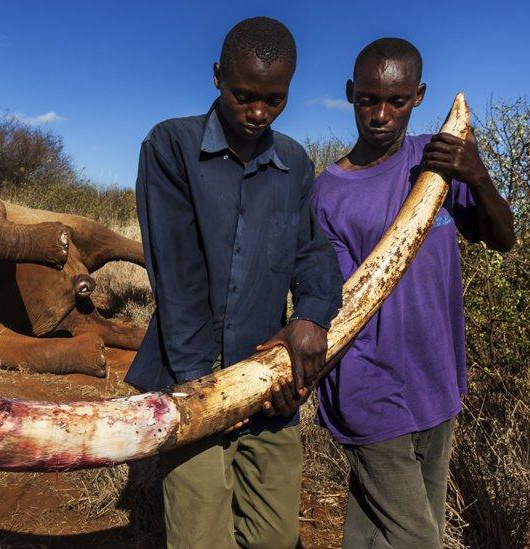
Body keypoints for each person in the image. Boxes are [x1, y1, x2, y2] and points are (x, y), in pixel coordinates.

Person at [125, 17, 344, 548]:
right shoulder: (169, 145)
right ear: (218, 76)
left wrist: (312, 317)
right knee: (201, 535)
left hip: (271, 382)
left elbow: (312, 252)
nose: (258, 113)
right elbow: (175, 277)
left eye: (275, 99)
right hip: (193, 377)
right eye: (244, 95)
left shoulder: (293, 161)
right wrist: (207, 392)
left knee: (273, 536)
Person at [311, 38, 515, 548]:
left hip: (436, 380)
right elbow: (336, 299)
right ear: (349, 94)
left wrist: (477, 174)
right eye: (367, 99)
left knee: (379, 528)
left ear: (419, 96)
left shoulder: (441, 160)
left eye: (397, 101)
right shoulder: (326, 193)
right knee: (417, 538)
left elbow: (503, 239)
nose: (381, 114)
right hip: (367, 385)